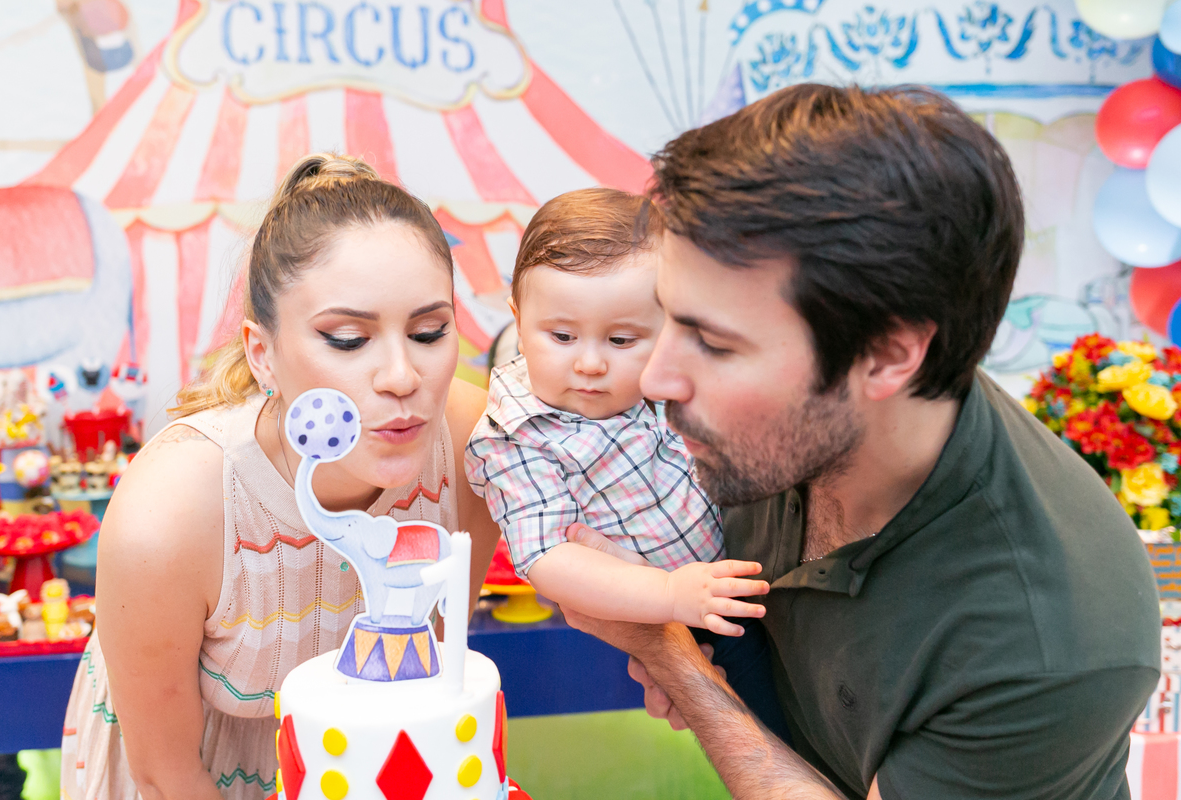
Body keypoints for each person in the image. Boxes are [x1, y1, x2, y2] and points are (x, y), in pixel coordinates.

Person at [561, 84, 1161, 799]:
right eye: (667, 317)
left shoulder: (1048, 638)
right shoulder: (786, 429)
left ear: (886, 355)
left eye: (715, 344)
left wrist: (674, 662)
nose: (656, 379)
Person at [59, 154, 502, 800]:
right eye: (349, 340)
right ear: (262, 354)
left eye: (429, 331)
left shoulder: (472, 444)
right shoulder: (171, 513)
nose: (403, 376)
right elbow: (165, 773)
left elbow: (430, 685)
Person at [464, 188, 788, 739]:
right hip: (700, 622)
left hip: (757, 566)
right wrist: (668, 596)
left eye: (621, 339)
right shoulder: (515, 436)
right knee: (777, 736)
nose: (590, 363)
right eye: (561, 336)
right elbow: (549, 558)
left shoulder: (665, 377)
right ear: (518, 320)